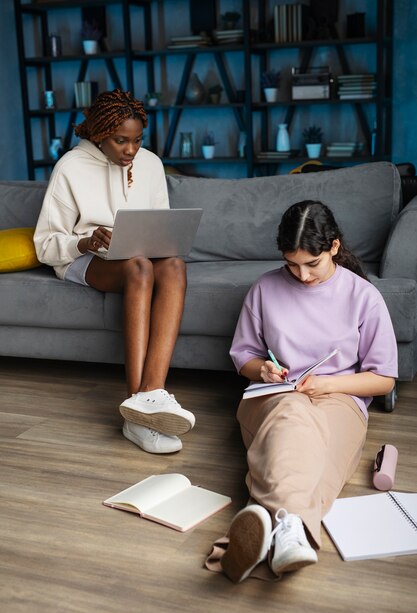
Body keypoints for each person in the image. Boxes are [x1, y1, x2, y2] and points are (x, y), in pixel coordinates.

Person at [207, 200, 397, 583]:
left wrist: (328, 383)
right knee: (294, 417)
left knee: (319, 464)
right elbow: (242, 355)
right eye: (292, 264)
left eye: (313, 264)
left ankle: (262, 533)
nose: (303, 276)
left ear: (334, 248)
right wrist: (260, 368)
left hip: (339, 399)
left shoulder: (364, 297)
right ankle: (294, 532)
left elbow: (384, 379)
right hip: (275, 397)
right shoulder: (264, 289)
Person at [34, 88, 195, 455]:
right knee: (139, 269)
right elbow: (45, 244)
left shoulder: (151, 165)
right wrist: (86, 242)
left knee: (173, 265)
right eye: (121, 140)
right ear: (99, 133)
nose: (131, 150)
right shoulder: (70, 168)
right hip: (84, 257)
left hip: (137, 255)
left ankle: (150, 397)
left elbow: (162, 228)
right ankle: (136, 414)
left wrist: (161, 243)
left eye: (137, 140)